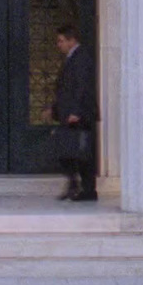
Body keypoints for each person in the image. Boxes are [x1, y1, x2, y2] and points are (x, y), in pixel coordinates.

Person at [45, 24, 99, 202]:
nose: (58, 44)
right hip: (69, 113)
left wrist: (76, 111)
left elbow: (83, 87)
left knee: (82, 153)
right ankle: (75, 185)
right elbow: (65, 88)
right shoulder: (71, 58)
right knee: (67, 150)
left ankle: (87, 190)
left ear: (71, 40)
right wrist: (54, 109)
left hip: (79, 115)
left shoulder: (81, 57)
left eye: (61, 41)